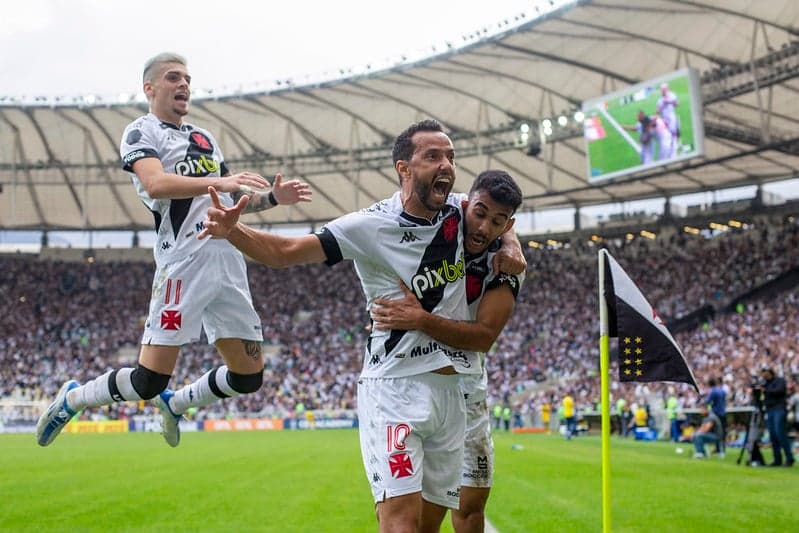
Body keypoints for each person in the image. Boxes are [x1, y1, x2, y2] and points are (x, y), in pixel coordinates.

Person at [197, 119, 526, 532]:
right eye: (433, 156)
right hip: (395, 388)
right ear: (404, 169)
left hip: (451, 395)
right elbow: (286, 252)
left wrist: (513, 245)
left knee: (427, 525)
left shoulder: (463, 213)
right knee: (400, 524)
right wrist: (234, 231)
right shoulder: (369, 225)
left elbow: (499, 221)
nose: (446, 164)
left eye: (450, 156)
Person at [36, 52, 312, 448]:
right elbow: (156, 185)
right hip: (184, 262)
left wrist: (271, 197)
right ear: (149, 88)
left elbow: (228, 198)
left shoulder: (204, 138)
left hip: (228, 259)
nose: (184, 85)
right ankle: (74, 397)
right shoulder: (140, 132)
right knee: (148, 380)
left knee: (249, 377)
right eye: (173, 78)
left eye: (187, 78)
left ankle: (177, 404)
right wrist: (222, 180)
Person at [368, 169, 524, 533]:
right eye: (480, 213)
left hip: (469, 391)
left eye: (498, 222)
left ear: (508, 224)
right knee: (413, 515)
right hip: (415, 386)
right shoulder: (440, 219)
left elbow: (484, 336)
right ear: (467, 205)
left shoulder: (507, 265)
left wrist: (420, 319)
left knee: (470, 509)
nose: (485, 227)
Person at [760, 367, 795, 467]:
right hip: (770, 410)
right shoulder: (765, 383)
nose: (763, 375)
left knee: (780, 433)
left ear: (769, 372)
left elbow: (779, 391)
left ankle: (789, 458)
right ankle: (777, 459)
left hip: (779, 409)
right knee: (773, 435)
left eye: (764, 372)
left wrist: (765, 390)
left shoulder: (779, 381)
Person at [656, 82, 680, 157]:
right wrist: (662, 105)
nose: (663, 91)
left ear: (667, 89)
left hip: (671, 117)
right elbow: (657, 111)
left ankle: (674, 149)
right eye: (662, 90)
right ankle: (668, 150)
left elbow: (677, 104)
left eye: (664, 89)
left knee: (673, 133)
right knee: (666, 135)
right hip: (664, 119)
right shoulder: (660, 100)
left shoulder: (672, 95)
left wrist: (670, 101)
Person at [705, 377, 727, 454]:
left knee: (716, 432)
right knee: (722, 432)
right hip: (723, 413)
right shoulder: (723, 391)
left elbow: (707, 402)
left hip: (716, 414)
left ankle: (718, 449)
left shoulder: (713, 391)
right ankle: (722, 448)